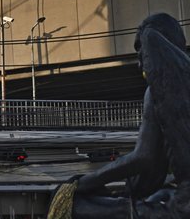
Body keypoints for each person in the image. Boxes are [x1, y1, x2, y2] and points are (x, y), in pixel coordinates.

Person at [52, 13, 190, 219]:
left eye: (142, 52)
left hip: (182, 208)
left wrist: (81, 183)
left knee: (76, 205)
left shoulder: (160, 88)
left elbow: (144, 157)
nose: (140, 63)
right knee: (158, 195)